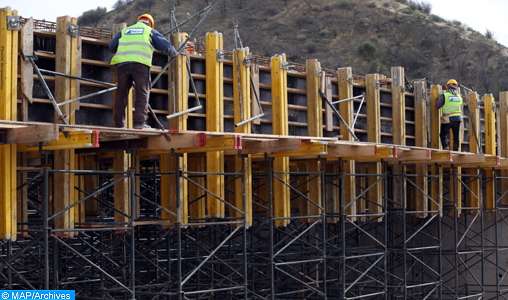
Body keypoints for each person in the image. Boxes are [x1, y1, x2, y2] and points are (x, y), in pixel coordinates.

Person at [109, 14, 179, 129]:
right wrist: (174, 53)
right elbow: (165, 45)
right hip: (140, 65)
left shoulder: (124, 31)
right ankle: (139, 123)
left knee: (121, 95)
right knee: (142, 93)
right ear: (150, 23)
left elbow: (112, 45)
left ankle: (119, 125)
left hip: (122, 65)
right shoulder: (149, 31)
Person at [435, 79, 463, 151]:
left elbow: (437, 105)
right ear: (456, 88)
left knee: (443, 134)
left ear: (447, 87)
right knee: (456, 136)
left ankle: (446, 147)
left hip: (448, 118)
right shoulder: (459, 97)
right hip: (457, 118)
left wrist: (437, 101)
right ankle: (456, 150)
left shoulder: (445, 95)